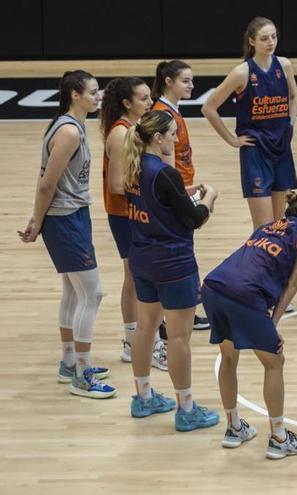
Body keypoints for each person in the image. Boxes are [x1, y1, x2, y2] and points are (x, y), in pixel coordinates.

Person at [19, 70, 115, 399]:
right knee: (94, 293)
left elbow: (47, 177)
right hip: (64, 219)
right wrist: (37, 220)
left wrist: (38, 218)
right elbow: (47, 182)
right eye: (92, 92)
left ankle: (69, 362)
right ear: (75, 95)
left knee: (73, 293)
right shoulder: (70, 132)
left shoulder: (72, 124)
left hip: (72, 215)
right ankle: (82, 376)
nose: (98, 97)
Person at [123, 110, 220, 431]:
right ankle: (187, 408)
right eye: (172, 134)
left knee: (145, 328)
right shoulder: (165, 173)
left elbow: (162, 203)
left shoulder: (135, 166)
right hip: (173, 263)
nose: (177, 138)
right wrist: (209, 198)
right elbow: (193, 220)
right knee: (178, 338)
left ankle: (143, 396)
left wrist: (185, 193)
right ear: (157, 138)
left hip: (142, 259)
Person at [203, 192, 297, 458]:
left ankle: (234, 428)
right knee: (274, 361)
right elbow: (291, 286)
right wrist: (272, 323)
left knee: (228, 358)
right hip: (243, 294)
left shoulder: (266, 226)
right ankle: (279, 437)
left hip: (213, 286)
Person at [202, 17, 297, 230]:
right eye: (264, 38)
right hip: (255, 152)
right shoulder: (242, 72)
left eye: (274, 37)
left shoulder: (284, 65)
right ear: (252, 41)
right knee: (263, 229)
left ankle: (277, 263)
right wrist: (231, 140)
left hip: (281, 147)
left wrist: (290, 124)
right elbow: (208, 107)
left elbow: (294, 96)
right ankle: (262, 262)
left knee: (280, 225)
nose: (271, 42)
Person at [100, 77, 168, 370]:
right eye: (142, 99)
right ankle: (135, 340)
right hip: (124, 214)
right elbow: (116, 184)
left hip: (137, 211)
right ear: (127, 103)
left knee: (139, 275)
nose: (150, 103)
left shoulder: (135, 130)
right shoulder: (120, 134)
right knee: (135, 276)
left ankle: (138, 340)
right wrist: (150, 189)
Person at [152, 59, 211, 331]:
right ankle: (169, 316)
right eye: (185, 81)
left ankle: (181, 311)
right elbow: (166, 160)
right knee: (178, 250)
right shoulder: (162, 114)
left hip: (181, 186)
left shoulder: (171, 110)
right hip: (174, 190)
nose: (191, 85)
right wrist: (177, 191)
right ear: (169, 82)